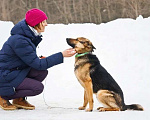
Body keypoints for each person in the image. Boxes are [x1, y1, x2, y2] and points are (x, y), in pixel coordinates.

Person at [0, 8, 76, 110]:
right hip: (5, 75)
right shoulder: (20, 40)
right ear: (35, 23)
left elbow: (29, 60)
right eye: (43, 21)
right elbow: (38, 64)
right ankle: (3, 95)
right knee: (37, 88)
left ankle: (18, 99)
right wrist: (61, 55)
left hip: (14, 71)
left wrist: (39, 59)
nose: (46, 24)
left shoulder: (27, 36)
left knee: (41, 72)